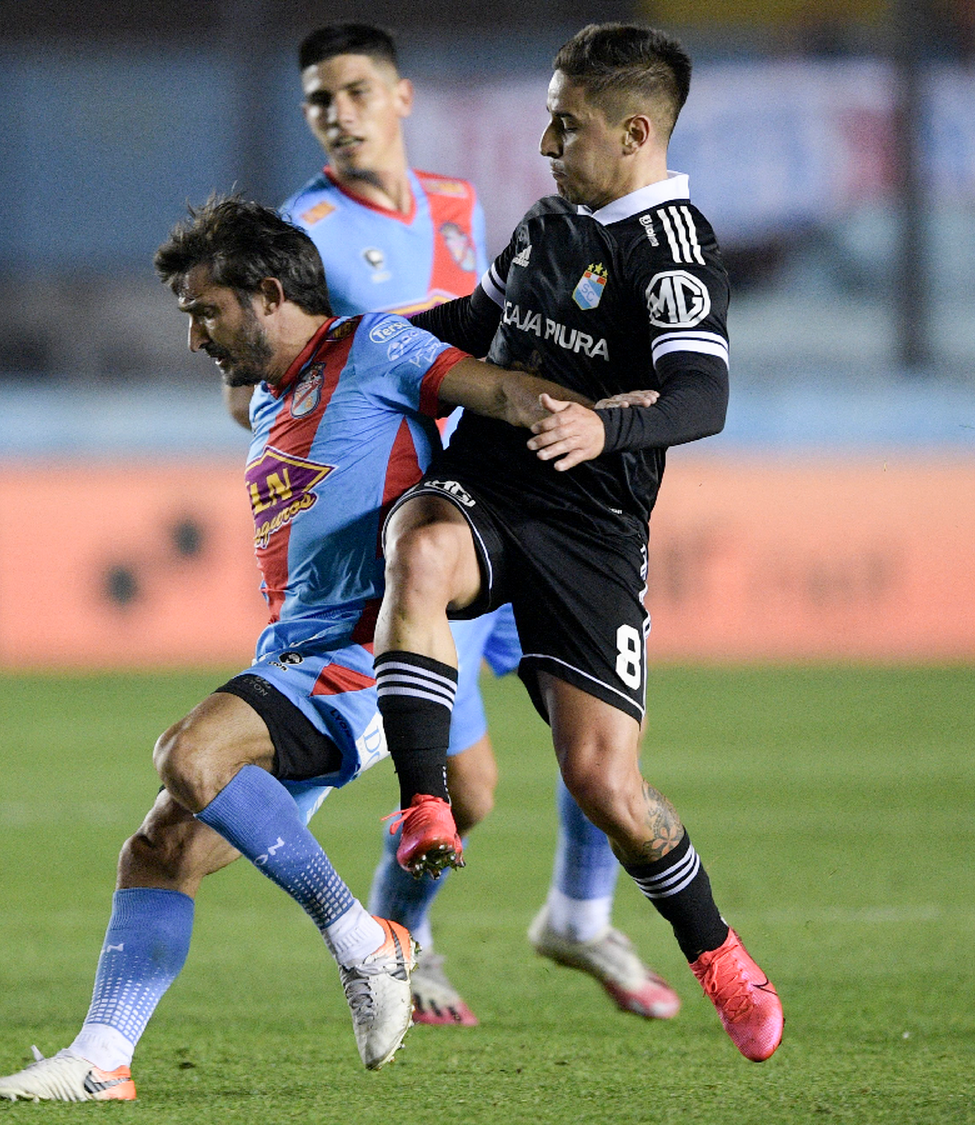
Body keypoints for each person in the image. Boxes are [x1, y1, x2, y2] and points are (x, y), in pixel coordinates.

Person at [0, 196, 613, 1103]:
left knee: (190, 751)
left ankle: (369, 943)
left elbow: (503, 390)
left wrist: (616, 428)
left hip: (368, 658)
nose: (196, 338)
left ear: (269, 292)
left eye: (206, 311)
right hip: (295, 659)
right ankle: (104, 1059)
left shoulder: (375, 348)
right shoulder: (275, 397)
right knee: (158, 851)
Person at [225, 21, 679, 1025]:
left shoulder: (463, 205)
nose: (336, 115)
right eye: (317, 101)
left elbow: (493, 321)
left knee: (602, 727)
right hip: (427, 522)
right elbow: (272, 379)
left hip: (517, 496)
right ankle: (405, 937)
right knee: (467, 790)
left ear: (401, 97)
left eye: (353, 92)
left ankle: (580, 908)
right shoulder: (307, 230)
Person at [375, 24, 785, 1062]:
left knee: (609, 787)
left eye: (568, 120)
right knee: (419, 553)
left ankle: (718, 952)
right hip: (494, 478)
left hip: (595, 528)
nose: (547, 135)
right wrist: (365, 345)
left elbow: (704, 393)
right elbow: (481, 319)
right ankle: (423, 805)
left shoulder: (675, 252)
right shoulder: (551, 222)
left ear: (636, 130)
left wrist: (608, 424)